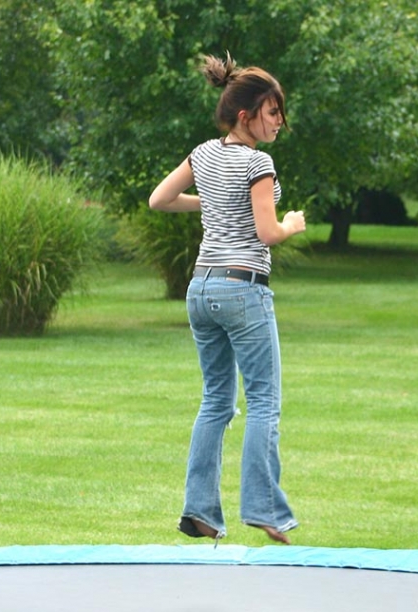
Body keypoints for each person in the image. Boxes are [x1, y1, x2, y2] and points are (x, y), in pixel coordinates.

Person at [149, 53, 306, 545]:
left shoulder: (204, 153)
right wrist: (292, 224)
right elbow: (266, 231)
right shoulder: (259, 162)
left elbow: (160, 199)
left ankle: (199, 511)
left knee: (216, 400)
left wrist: (213, 200)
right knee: (263, 401)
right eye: (273, 112)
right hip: (243, 289)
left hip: (201, 289)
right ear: (246, 115)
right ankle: (264, 509)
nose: (280, 122)